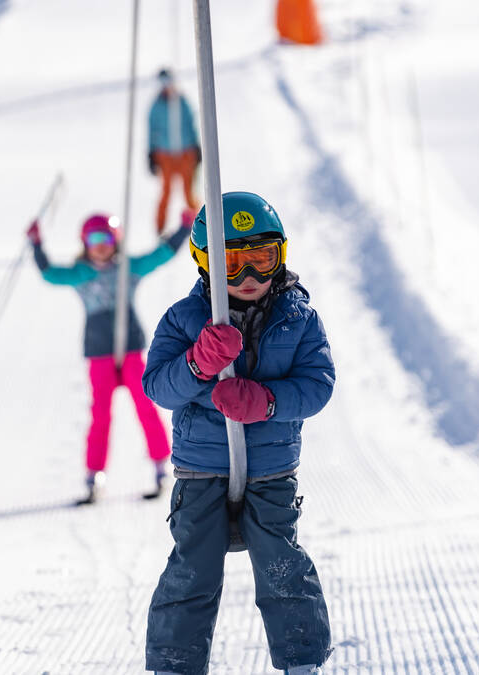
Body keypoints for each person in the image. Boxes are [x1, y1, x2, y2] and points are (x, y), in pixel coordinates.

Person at [142, 192, 335, 675]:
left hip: (270, 471)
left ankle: (302, 661)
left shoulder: (298, 318)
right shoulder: (185, 320)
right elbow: (158, 387)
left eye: (262, 259)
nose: (250, 277)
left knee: (282, 566)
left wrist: (267, 402)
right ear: (205, 261)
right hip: (202, 469)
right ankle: (173, 664)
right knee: (193, 571)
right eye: (233, 263)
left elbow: (318, 386)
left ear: (281, 255)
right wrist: (196, 363)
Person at [26, 208, 194, 502]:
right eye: (94, 238)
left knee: (145, 405)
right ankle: (94, 477)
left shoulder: (127, 269)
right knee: (100, 413)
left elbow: (161, 255)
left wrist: (183, 228)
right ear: (84, 242)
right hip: (100, 351)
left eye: (106, 237)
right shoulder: (80, 273)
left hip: (129, 347)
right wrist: (37, 244)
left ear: (116, 240)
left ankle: (161, 467)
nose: (101, 245)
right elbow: (50, 274)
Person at [148, 68, 201, 235]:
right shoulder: (156, 105)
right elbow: (152, 129)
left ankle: (201, 226)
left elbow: (191, 123)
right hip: (165, 154)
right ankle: (160, 229)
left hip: (186, 152)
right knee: (166, 192)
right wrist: (150, 153)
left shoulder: (182, 101)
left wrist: (197, 146)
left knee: (189, 191)